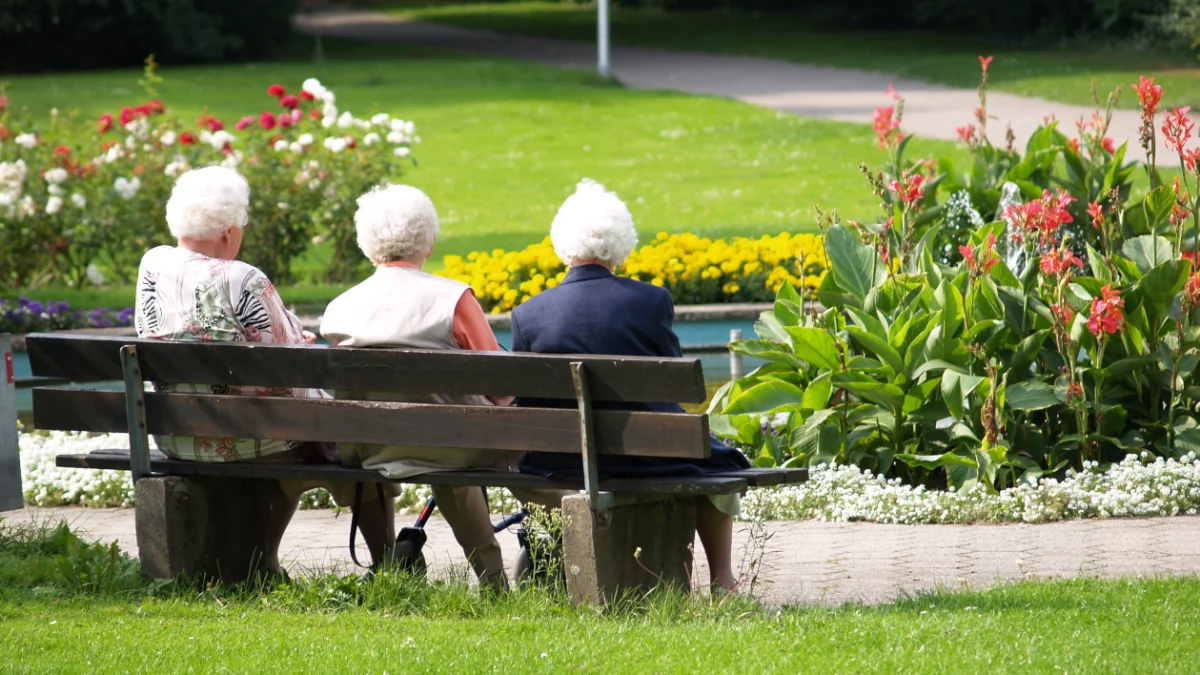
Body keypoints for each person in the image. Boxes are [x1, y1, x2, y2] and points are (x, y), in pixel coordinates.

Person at [134, 166, 395, 571]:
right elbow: (288, 371)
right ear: (228, 231)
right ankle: (388, 562)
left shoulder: (152, 266)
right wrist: (299, 345)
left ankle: (262, 561)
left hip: (177, 435)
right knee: (358, 433)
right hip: (250, 439)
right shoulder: (244, 278)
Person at [320, 183, 568, 589]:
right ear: (429, 239)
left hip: (373, 444)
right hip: (457, 446)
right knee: (511, 440)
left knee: (448, 447)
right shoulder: (452, 299)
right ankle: (511, 571)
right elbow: (501, 391)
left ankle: (408, 572)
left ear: (366, 243)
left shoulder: (339, 307)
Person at [512, 179, 751, 593]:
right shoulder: (650, 301)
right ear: (621, 242)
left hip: (561, 462)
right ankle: (722, 581)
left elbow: (525, 401)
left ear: (562, 244)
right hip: (649, 456)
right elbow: (673, 380)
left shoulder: (528, 314)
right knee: (722, 460)